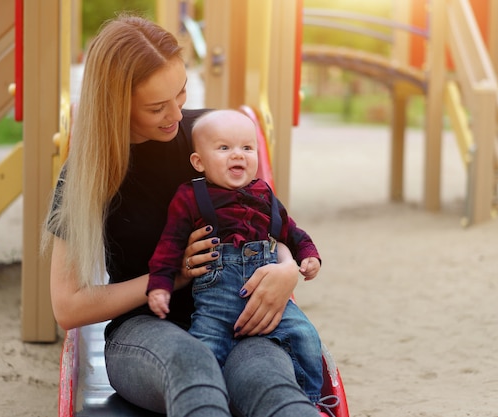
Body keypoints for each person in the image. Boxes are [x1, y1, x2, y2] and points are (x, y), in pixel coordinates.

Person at [42, 13, 324, 417]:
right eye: (157, 107)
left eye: (181, 93)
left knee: (270, 382)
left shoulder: (211, 139)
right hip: (145, 332)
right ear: (116, 106)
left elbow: (266, 220)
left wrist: (286, 268)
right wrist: (175, 275)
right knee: (194, 367)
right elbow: (68, 306)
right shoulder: (87, 173)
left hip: (238, 321)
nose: (177, 115)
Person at [147, 109, 324, 404]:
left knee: (304, 335)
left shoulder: (264, 195)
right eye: (224, 148)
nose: (237, 155)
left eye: (247, 148)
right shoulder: (191, 197)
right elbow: (170, 245)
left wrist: (308, 255)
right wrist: (160, 285)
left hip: (264, 297)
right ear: (199, 162)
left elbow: (291, 232)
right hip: (216, 306)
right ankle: (210, 404)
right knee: (203, 355)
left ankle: (313, 400)